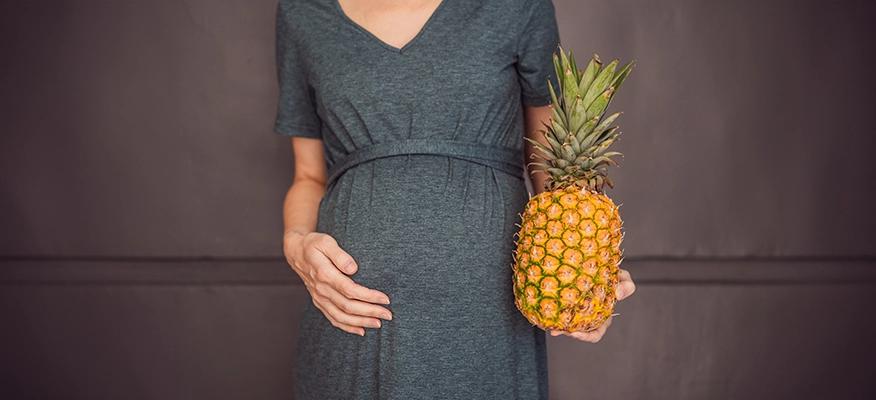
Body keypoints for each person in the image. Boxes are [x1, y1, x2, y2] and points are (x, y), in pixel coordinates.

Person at [275, 0, 636, 398]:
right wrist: (296, 245)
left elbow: (551, 159)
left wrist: (583, 265)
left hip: (487, 320)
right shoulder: (303, 12)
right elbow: (308, 176)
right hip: (353, 317)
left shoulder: (519, 6)